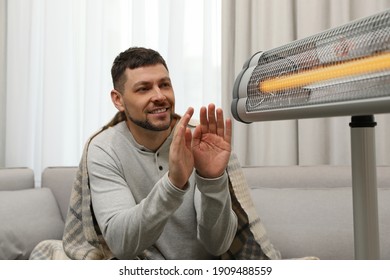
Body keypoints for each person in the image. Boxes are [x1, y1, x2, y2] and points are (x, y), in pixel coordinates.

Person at [87, 47, 238, 259]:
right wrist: (173, 184)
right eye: (143, 89)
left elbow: (218, 246)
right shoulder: (104, 148)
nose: (159, 96)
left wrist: (212, 180)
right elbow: (121, 244)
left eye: (164, 85)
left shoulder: (201, 141)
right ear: (118, 100)